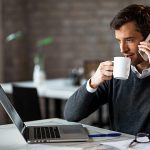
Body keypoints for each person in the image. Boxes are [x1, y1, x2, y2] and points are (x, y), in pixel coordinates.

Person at [64, 4, 150, 135]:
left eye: (129, 40)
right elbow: (71, 115)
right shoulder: (114, 75)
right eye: (118, 41)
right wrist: (93, 82)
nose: (122, 49)